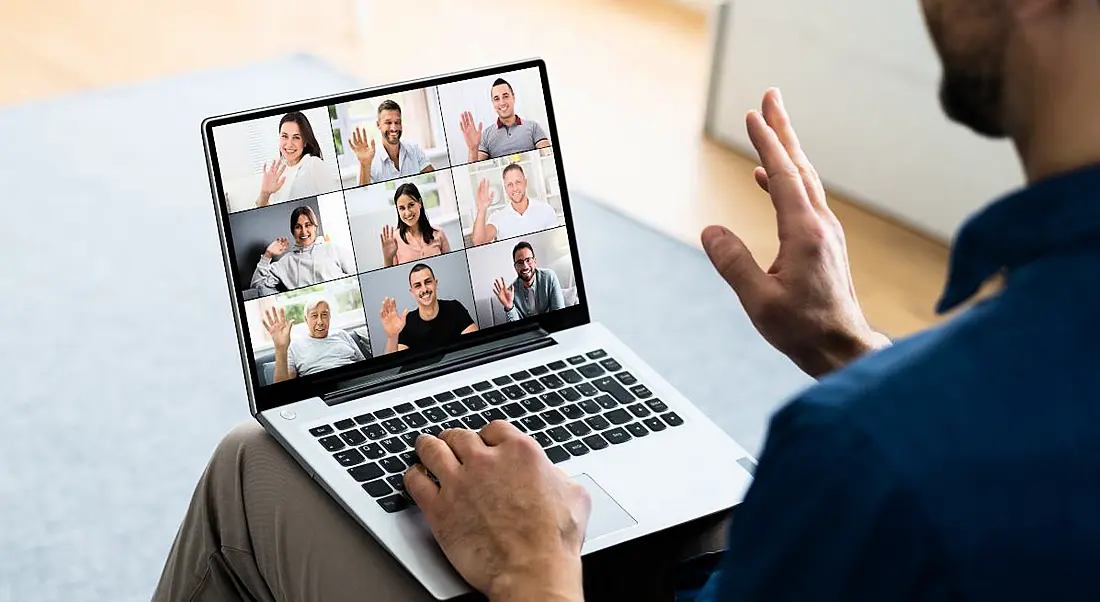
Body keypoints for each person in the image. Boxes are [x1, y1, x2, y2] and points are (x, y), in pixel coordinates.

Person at [154, 1, 1100, 600]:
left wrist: (533, 565)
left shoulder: (858, 452)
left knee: (253, 470)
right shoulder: (937, 411)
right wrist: (853, 347)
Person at [251, 205, 356, 294]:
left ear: (315, 227)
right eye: (298, 227)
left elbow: (358, 273)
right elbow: (257, 286)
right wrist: (268, 254)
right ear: (293, 231)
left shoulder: (332, 249)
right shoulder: (286, 262)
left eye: (308, 225)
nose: (304, 231)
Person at [379, 263, 478, 354]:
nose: (424, 289)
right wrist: (392, 336)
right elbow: (395, 364)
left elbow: (475, 346)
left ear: (436, 283)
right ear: (412, 291)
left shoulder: (455, 308)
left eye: (428, 282)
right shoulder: (407, 322)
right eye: (418, 286)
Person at [260, 298, 366, 383]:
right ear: (306, 319)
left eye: (324, 315)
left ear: (329, 317)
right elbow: (283, 389)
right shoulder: (294, 346)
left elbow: (364, 366)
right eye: (314, 316)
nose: (320, 322)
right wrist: (280, 349)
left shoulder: (342, 334)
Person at [255, 112, 339, 207]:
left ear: (305, 142)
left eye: (296, 137)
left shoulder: (314, 164)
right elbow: (263, 208)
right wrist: (265, 193)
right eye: (284, 136)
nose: (289, 144)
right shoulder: (278, 171)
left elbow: (335, 202)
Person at [457, 77, 551, 163]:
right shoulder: (486, 135)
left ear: (513, 97)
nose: (502, 103)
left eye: (506, 96)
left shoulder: (533, 127)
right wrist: (473, 148)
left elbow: (549, 158)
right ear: (493, 103)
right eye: (497, 99)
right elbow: (476, 171)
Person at [347, 100, 433, 187]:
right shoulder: (369, 161)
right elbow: (364, 195)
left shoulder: (414, 149)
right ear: (378, 125)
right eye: (388, 122)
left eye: (397, 122)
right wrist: (364, 165)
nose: (394, 128)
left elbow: (432, 178)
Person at [470, 163, 558, 246]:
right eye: (510, 184)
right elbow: (478, 241)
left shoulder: (546, 210)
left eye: (518, 182)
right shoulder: (497, 217)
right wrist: (482, 209)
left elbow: (556, 245)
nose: (515, 188)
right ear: (505, 188)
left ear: (525, 182)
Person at [380, 182, 452, 267]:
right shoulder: (394, 240)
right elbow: (390, 274)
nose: (407, 213)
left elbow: (449, 264)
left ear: (420, 203)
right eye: (402, 208)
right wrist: (387, 259)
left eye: (411, 205)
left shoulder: (439, 233)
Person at [494, 241, 565, 321]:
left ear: (534, 261)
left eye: (528, 260)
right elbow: (515, 328)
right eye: (520, 263)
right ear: (515, 267)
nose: (525, 266)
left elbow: (560, 314)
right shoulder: (510, 293)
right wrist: (509, 307)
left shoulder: (550, 277)